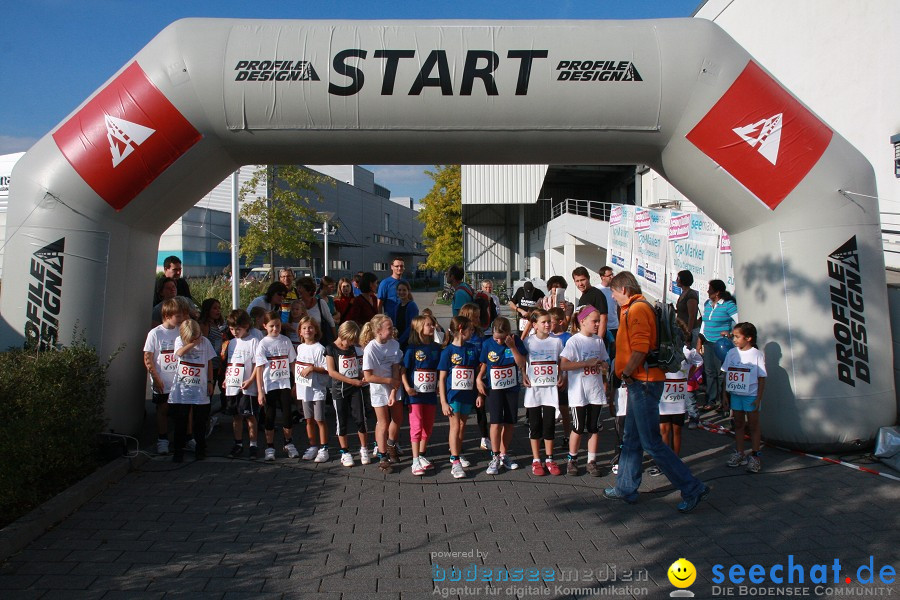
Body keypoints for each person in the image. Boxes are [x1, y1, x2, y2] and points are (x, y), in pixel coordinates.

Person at [604, 271, 710, 513]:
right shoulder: (633, 308)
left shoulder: (638, 309)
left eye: (613, 291)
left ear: (624, 290)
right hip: (640, 381)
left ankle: (692, 487)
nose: (612, 296)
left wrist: (628, 373)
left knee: (651, 442)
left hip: (643, 382)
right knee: (631, 438)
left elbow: (641, 348)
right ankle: (625, 489)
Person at [648, 319, 703, 476]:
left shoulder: (688, 352)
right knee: (664, 430)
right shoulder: (661, 351)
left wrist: (688, 377)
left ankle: (676, 460)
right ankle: (665, 462)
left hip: (678, 399)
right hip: (664, 398)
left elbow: (699, 363)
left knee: (677, 430)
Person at [559, 306, 609, 476]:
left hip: (594, 390)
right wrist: (585, 363)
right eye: (594, 321)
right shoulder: (575, 341)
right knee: (578, 427)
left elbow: (605, 363)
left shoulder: (598, 341)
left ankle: (591, 461)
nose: (597, 324)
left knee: (593, 427)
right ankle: (572, 459)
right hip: (579, 393)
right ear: (583, 321)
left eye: (598, 321)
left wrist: (603, 367)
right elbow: (564, 364)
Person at [477, 316, 527, 476]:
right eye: (496, 338)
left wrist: (512, 347)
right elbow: (484, 363)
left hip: (511, 388)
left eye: (502, 338)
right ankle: (495, 455)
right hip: (495, 389)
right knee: (496, 422)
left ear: (508, 333)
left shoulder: (515, 341)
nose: (499, 342)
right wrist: (479, 378)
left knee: (510, 422)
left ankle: (504, 454)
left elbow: (521, 363)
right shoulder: (487, 344)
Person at [522, 309, 565, 476]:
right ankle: (536, 459)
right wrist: (524, 374)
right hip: (534, 390)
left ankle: (549, 458)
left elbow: (561, 361)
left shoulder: (556, 342)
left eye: (549, 321)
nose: (547, 325)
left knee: (549, 425)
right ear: (534, 325)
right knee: (535, 426)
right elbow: (521, 361)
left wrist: (562, 375)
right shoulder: (528, 342)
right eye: (543, 322)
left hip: (550, 390)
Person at [143, 298, 188, 455]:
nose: (181, 318)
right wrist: (155, 378)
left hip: (180, 380)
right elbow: (148, 357)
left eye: (182, 315)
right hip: (162, 379)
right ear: (168, 315)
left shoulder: (181, 331)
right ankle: (162, 439)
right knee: (163, 408)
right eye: (178, 315)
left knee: (183, 410)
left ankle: (185, 439)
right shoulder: (155, 333)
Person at [438, 315, 481, 479]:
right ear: (462, 329)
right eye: (470, 329)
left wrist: (477, 392)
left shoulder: (471, 348)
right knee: (455, 426)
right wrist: (443, 401)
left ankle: (457, 452)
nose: (472, 332)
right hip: (453, 395)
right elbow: (442, 378)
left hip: (467, 394)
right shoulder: (448, 351)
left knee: (462, 425)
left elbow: (477, 370)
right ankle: (455, 461)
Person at [722, 322, 767, 473]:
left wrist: (759, 398)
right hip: (736, 395)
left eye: (737, 336)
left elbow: (762, 378)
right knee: (739, 424)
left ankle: (755, 456)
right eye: (733, 336)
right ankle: (739, 453)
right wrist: (725, 396)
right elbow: (726, 374)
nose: (734, 339)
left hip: (751, 395)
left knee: (754, 426)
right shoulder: (731, 353)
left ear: (748, 338)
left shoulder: (757, 354)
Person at [325, 320, 371, 467]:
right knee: (342, 421)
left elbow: (360, 365)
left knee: (360, 419)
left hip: (356, 389)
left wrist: (362, 375)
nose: (349, 344)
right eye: (348, 341)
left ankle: (364, 448)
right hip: (339, 390)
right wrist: (351, 381)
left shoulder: (354, 348)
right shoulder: (330, 348)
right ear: (342, 334)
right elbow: (332, 372)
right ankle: (345, 452)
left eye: (352, 341)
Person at [362, 314, 404, 473]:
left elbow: (395, 368)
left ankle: (391, 444)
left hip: (393, 385)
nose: (393, 330)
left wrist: (393, 390)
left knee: (398, 418)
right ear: (378, 331)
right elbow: (368, 376)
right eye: (389, 328)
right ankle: (382, 456)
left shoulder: (394, 344)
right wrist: (388, 382)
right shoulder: (370, 349)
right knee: (383, 422)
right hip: (378, 388)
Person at [169, 319, 216, 462]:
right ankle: (178, 451)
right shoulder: (179, 341)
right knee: (181, 421)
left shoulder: (205, 342)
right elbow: (179, 353)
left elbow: (209, 363)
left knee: (200, 421)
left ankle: (200, 449)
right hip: (182, 389)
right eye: (191, 338)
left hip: (199, 388)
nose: (196, 339)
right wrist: (192, 344)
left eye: (197, 337)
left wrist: (210, 382)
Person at [254, 309, 298, 461]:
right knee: (269, 416)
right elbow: (259, 369)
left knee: (287, 414)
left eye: (278, 326)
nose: (275, 329)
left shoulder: (285, 341)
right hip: (269, 385)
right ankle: (270, 446)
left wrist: (296, 382)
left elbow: (292, 363)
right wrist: (260, 391)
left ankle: (288, 443)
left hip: (284, 383)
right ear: (265, 326)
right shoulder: (262, 344)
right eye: (272, 326)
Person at [402, 315, 442, 476]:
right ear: (419, 328)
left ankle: (422, 454)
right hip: (415, 394)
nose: (432, 327)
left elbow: (439, 370)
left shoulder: (436, 347)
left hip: (430, 393)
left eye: (432, 325)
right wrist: (407, 387)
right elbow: (403, 370)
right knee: (416, 426)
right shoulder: (411, 349)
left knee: (428, 426)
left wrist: (439, 383)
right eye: (428, 325)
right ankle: (414, 460)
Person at [223, 309, 263, 459]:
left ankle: (253, 444)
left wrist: (251, 379)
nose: (234, 332)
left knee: (250, 415)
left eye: (237, 329)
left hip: (248, 386)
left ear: (246, 326)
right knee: (236, 416)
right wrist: (227, 378)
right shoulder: (232, 343)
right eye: (232, 329)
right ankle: (238, 443)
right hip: (234, 385)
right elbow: (230, 363)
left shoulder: (253, 341)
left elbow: (257, 363)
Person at [698, 279, 738, 413]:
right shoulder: (707, 304)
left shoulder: (729, 305)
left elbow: (739, 322)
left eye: (710, 289)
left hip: (721, 344)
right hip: (708, 342)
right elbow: (704, 323)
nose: (708, 291)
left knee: (721, 373)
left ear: (717, 292)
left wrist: (731, 334)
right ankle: (711, 400)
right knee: (709, 372)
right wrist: (700, 340)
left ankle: (723, 401)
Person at [294, 316, 330, 463]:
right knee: (309, 419)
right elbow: (298, 368)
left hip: (317, 389)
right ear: (300, 332)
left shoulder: (320, 348)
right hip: (304, 389)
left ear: (316, 330)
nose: (307, 330)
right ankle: (312, 446)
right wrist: (296, 385)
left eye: (310, 327)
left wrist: (312, 368)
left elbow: (327, 368)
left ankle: (324, 448)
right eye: (304, 328)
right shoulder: (300, 347)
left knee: (320, 419)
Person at [458, 303, 490, 452]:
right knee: (461, 413)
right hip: (462, 378)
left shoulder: (480, 334)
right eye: (475, 317)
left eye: (478, 316)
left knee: (481, 407)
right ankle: (456, 442)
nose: (478, 319)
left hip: (478, 375)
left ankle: (485, 437)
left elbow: (484, 357)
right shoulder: (460, 335)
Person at [674, 270, 701, 426]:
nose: (676, 280)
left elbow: (691, 315)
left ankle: (693, 413)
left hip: (686, 333)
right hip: (679, 331)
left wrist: (688, 334)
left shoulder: (691, 295)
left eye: (678, 278)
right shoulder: (683, 293)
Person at [198, 299, 225, 408]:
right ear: (207, 310)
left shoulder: (216, 324)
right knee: (207, 394)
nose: (218, 311)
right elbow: (202, 344)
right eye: (214, 308)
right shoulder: (204, 325)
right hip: (209, 364)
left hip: (217, 363)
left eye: (219, 308)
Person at [296, 276, 337, 346]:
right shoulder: (297, 305)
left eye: (300, 287)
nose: (298, 290)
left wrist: (335, 341)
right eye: (297, 287)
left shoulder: (320, 303)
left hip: (320, 342)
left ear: (308, 290)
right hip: (301, 343)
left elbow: (331, 322)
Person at [571, 266, 608, 339]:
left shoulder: (597, 294)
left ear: (588, 278)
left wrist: (599, 340)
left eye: (582, 280)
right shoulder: (583, 296)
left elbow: (603, 319)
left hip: (594, 340)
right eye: (577, 281)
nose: (580, 284)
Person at [395, 280, 419, 350]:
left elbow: (412, 326)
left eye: (404, 290)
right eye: (399, 290)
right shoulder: (398, 306)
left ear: (408, 291)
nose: (401, 292)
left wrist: (400, 340)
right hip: (398, 339)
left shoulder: (412, 306)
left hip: (407, 341)